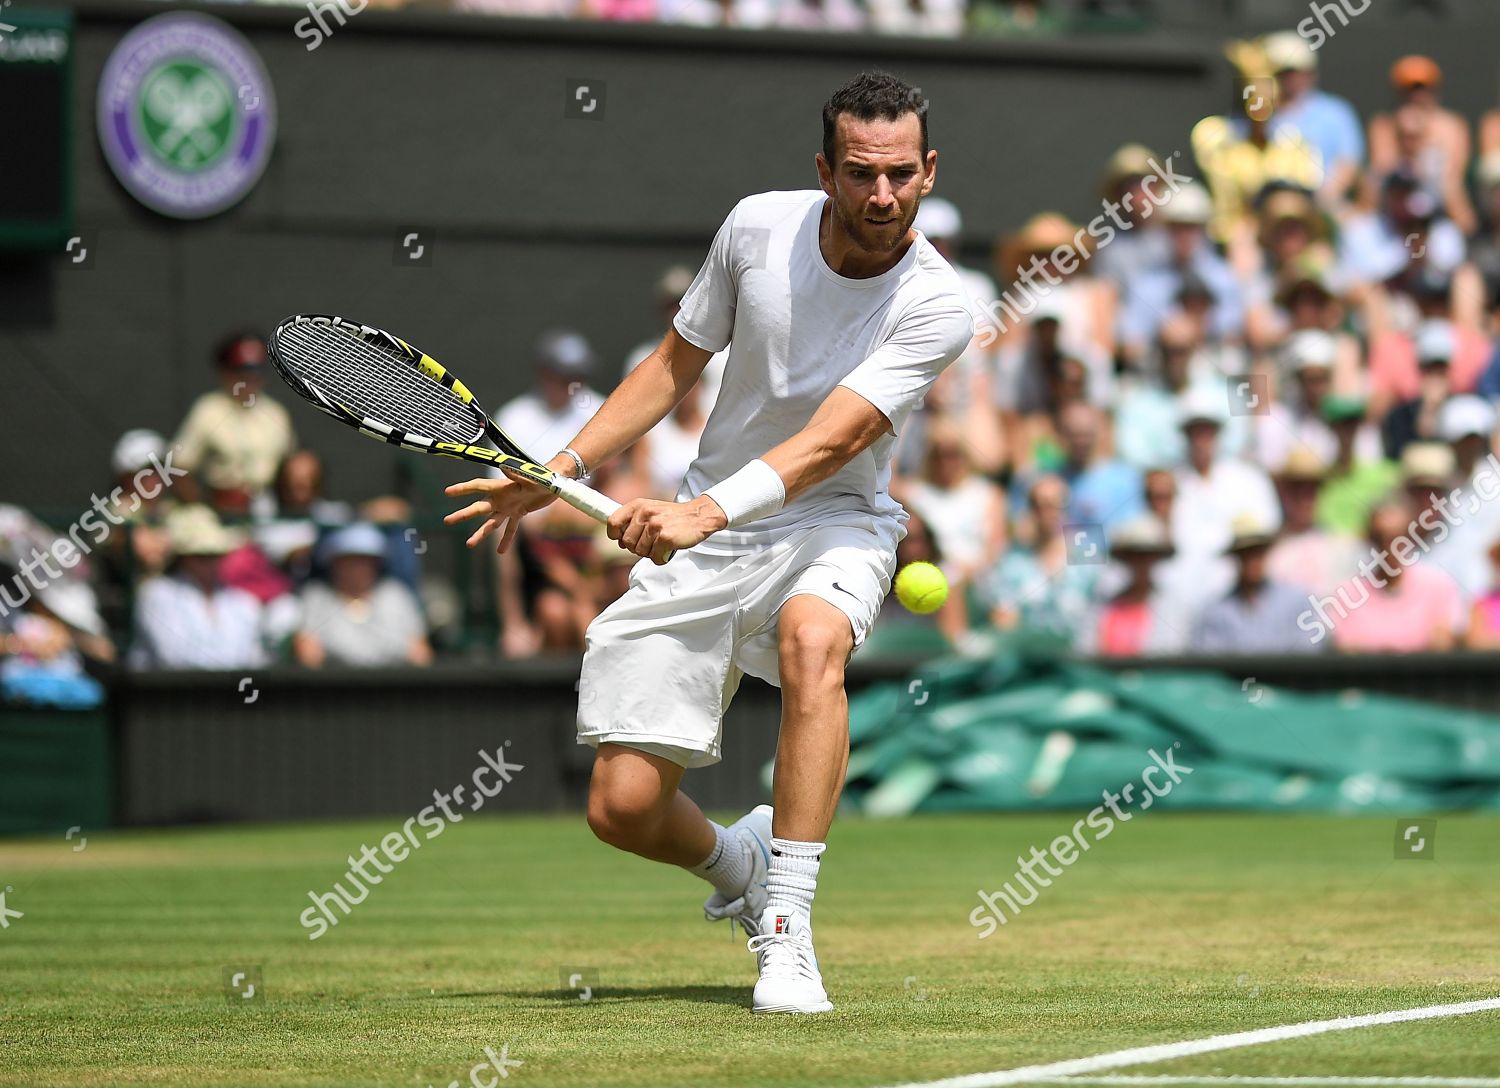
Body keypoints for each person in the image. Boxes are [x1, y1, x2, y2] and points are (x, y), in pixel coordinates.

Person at [444, 71, 973, 1015]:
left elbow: (833, 441)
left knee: (817, 645)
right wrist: (557, 463)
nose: (882, 195)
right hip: (715, 526)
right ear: (826, 170)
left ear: (928, 171)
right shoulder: (756, 228)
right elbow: (671, 367)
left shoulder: (940, 302)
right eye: (860, 173)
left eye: (899, 174)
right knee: (622, 810)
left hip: (834, 520)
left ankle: (789, 934)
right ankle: (743, 865)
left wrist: (701, 513)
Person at [172, 332, 296, 518]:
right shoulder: (208, 410)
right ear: (225, 372)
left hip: (268, 511)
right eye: (243, 370)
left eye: (258, 370)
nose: (251, 378)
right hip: (221, 513)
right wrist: (203, 507)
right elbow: (178, 467)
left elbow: (289, 467)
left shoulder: (276, 413)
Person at [130, 505, 267, 669]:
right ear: (183, 559)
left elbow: (253, 659)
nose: (211, 563)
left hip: (230, 692)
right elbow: (173, 657)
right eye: (201, 556)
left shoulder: (243, 603)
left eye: (216, 555)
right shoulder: (156, 594)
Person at [1328, 500, 1464, 653]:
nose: (1389, 547)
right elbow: (1346, 650)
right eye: (1380, 537)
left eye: (1398, 538)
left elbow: (1442, 646)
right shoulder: (1348, 593)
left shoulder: (1438, 586)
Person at [978, 475, 1097, 645]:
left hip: (1077, 655)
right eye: (1038, 505)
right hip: (1027, 657)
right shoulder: (1011, 562)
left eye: (1055, 503)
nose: (1047, 511)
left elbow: (1099, 612)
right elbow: (1003, 618)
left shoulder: (1087, 559)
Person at [293, 523, 431, 668]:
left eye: (366, 561)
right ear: (334, 563)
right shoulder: (317, 596)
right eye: (351, 560)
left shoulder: (395, 594)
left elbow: (420, 653)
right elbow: (307, 652)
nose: (359, 568)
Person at [1193, 514, 1322, 654]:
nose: (1252, 561)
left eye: (1257, 552)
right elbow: (1211, 656)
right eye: (1245, 554)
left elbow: (1309, 647)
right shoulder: (1217, 611)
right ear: (1236, 559)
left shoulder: (1296, 600)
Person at [1079, 514, 1190, 656]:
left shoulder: (1173, 608)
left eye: (1147, 555)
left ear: (1156, 559)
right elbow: (1086, 650)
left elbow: (1174, 655)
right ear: (1126, 559)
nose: (1141, 562)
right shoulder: (1104, 606)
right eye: (1134, 555)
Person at [492, 330, 605, 465]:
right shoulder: (513, 419)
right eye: (566, 378)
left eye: (580, 377)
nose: (574, 385)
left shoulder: (602, 411)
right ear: (544, 375)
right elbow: (504, 479)